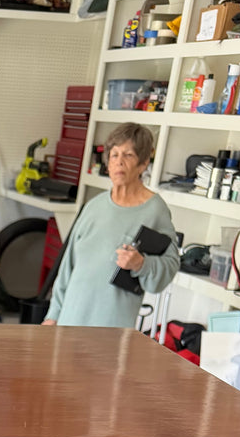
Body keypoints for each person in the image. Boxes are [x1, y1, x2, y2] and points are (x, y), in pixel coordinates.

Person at [43, 123, 179, 328]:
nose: (119, 162)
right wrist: (53, 315)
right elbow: (67, 265)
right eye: (114, 155)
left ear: (143, 164)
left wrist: (141, 264)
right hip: (68, 322)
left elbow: (170, 265)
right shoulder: (93, 206)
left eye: (128, 155)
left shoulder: (155, 211)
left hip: (112, 331)